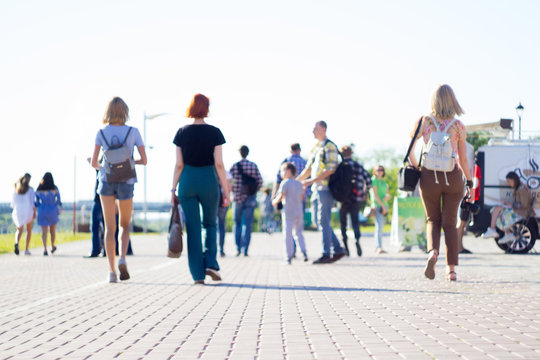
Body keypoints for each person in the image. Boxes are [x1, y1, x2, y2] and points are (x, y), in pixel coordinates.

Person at [408, 84, 473, 282]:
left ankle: (432, 253)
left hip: (429, 176)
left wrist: (417, 168)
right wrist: (469, 182)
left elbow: (409, 150)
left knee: (432, 220)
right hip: (452, 176)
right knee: (450, 223)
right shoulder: (458, 126)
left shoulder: (424, 121)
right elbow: (462, 160)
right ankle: (451, 270)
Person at [172, 93, 229, 285]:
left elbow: (178, 164)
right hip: (208, 180)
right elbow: (219, 164)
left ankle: (197, 275)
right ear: (207, 108)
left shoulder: (181, 132)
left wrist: (173, 189)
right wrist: (226, 190)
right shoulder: (215, 132)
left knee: (193, 229)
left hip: (187, 180)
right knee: (210, 224)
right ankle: (211, 264)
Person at [91, 97, 146, 283]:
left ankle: (112, 271)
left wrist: (106, 165)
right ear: (125, 111)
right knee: (124, 225)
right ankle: (123, 257)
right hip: (127, 181)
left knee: (109, 227)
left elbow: (94, 163)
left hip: (106, 180)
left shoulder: (101, 132)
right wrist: (130, 161)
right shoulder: (134, 132)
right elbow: (144, 160)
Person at [297, 121, 346, 264]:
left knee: (323, 222)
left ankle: (327, 253)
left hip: (325, 189)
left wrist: (311, 181)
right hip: (316, 189)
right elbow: (307, 169)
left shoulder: (329, 146)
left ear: (323, 129)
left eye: (315, 128)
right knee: (318, 222)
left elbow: (331, 169)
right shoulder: (316, 147)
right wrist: (296, 182)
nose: (313, 131)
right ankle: (338, 248)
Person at [482, 171, 535, 245]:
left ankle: (496, 231)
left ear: (514, 180)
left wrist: (510, 205)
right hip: (519, 211)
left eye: (509, 181)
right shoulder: (519, 188)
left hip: (523, 212)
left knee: (499, 210)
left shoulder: (522, 189)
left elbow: (524, 205)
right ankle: (504, 233)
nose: (508, 184)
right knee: (496, 209)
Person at [338, 145, 372, 257]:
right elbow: (368, 178)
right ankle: (357, 239)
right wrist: (365, 192)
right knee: (355, 221)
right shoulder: (357, 165)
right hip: (356, 197)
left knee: (343, 223)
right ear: (351, 153)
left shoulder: (340, 166)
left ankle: (346, 247)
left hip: (343, 199)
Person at [230, 145, 263, 257]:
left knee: (237, 223)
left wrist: (234, 191)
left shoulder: (235, 166)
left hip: (237, 198)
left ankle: (238, 248)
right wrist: (252, 191)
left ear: (239, 152)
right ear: (248, 152)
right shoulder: (253, 166)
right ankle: (245, 249)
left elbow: (228, 181)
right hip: (250, 198)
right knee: (247, 224)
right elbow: (260, 182)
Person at [273, 162, 307, 263]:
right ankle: (304, 252)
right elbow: (302, 197)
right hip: (299, 211)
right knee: (299, 233)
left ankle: (288, 256)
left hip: (288, 212)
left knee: (287, 234)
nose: (281, 173)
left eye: (283, 171)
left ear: (288, 171)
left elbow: (281, 196)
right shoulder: (299, 183)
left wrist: (274, 202)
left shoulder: (285, 183)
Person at [35, 172, 62, 256]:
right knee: (52, 231)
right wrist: (56, 205)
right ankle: (52, 246)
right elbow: (58, 200)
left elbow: (36, 202)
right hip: (52, 210)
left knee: (44, 232)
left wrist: (41, 205)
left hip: (42, 210)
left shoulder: (39, 188)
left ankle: (45, 249)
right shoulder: (54, 188)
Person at [456, 141, 475, 254]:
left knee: (462, 223)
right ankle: (458, 247)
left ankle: (460, 246)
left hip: (464, 194)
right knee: (461, 223)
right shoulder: (465, 147)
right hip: (464, 196)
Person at [11, 173, 35, 255]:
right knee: (28, 230)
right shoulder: (30, 190)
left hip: (18, 211)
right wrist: (34, 213)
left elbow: (12, 204)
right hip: (28, 211)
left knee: (19, 230)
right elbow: (32, 204)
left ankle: (17, 242)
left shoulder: (16, 190)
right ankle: (26, 249)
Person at [370, 165, 390, 254]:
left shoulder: (384, 182)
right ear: (375, 171)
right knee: (378, 227)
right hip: (378, 206)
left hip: (384, 205)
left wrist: (387, 197)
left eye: (381, 170)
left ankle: (379, 246)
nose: (380, 171)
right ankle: (378, 247)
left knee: (381, 227)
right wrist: (382, 206)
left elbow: (387, 193)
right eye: (378, 170)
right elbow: (375, 195)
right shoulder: (374, 180)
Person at [217, 171, 232, 257]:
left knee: (211, 225)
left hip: (212, 201)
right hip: (223, 201)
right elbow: (229, 188)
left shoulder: (212, 170)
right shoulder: (226, 173)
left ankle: (211, 249)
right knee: (221, 226)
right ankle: (221, 249)